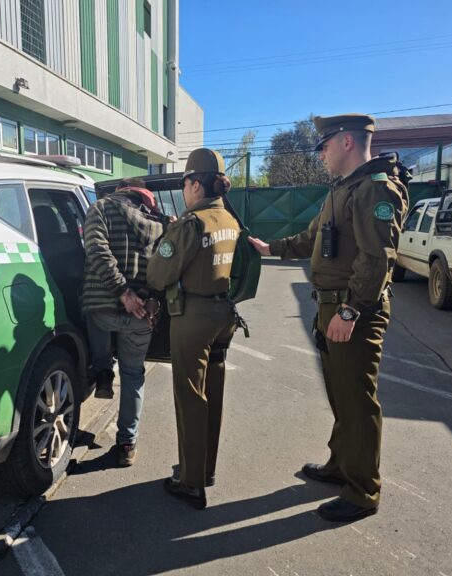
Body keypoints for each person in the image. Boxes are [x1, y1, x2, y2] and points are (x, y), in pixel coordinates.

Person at [249, 114, 409, 522]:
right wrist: (272, 248)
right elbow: (314, 238)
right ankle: (342, 466)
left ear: (348, 143)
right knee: (341, 395)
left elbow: (377, 260)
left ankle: (362, 492)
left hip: (353, 311)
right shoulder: (343, 190)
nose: (320, 154)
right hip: (330, 308)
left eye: (325, 145)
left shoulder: (376, 190)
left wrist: (350, 310)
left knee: (357, 401)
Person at [147, 148, 240, 509]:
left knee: (190, 399)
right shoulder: (230, 219)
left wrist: (168, 236)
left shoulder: (189, 223)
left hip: (193, 318)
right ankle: (205, 470)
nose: (184, 190)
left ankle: (190, 482)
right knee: (212, 396)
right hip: (223, 314)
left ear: (195, 185)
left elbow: (158, 274)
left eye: (185, 183)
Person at [82, 177, 165, 466]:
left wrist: (121, 291)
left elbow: (96, 249)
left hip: (103, 307)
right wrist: (152, 297)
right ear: (146, 197)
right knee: (133, 375)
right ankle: (127, 444)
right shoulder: (158, 223)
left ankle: (103, 372)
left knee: (95, 320)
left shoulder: (101, 208)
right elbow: (164, 266)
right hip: (141, 312)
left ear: (121, 191)